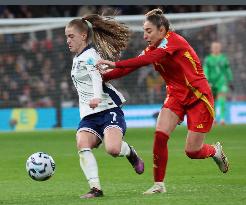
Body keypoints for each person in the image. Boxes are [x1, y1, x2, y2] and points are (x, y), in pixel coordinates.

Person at [97, 8, 229, 195]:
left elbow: (150, 59)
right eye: (144, 31)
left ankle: (214, 151)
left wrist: (115, 63)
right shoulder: (151, 48)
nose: (144, 36)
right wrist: (102, 78)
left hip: (198, 96)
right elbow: (130, 68)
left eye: (148, 31)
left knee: (192, 151)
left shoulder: (173, 41)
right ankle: (159, 185)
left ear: (162, 30)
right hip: (175, 96)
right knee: (160, 135)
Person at [64, 14, 144, 199]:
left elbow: (95, 77)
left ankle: (130, 153)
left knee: (113, 150)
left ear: (83, 35)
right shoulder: (78, 58)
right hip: (90, 115)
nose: (68, 40)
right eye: (66, 36)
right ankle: (95, 189)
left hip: (108, 110)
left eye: (71, 36)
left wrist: (97, 98)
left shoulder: (89, 56)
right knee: (82, 143)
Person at [203, 41, 233, 125]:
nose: (216, 48)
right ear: (211, 48)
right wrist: (207, 81)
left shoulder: (224, 58)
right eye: (214, 47)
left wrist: (230, 80)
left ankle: (223, 119)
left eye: (217, 47)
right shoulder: (208, 59)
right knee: (213, 100)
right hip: (211, 82)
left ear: (220, 48)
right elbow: (206, 70)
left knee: (222, 99)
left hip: (221, 81)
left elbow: (227, 70)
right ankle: (214, 118)